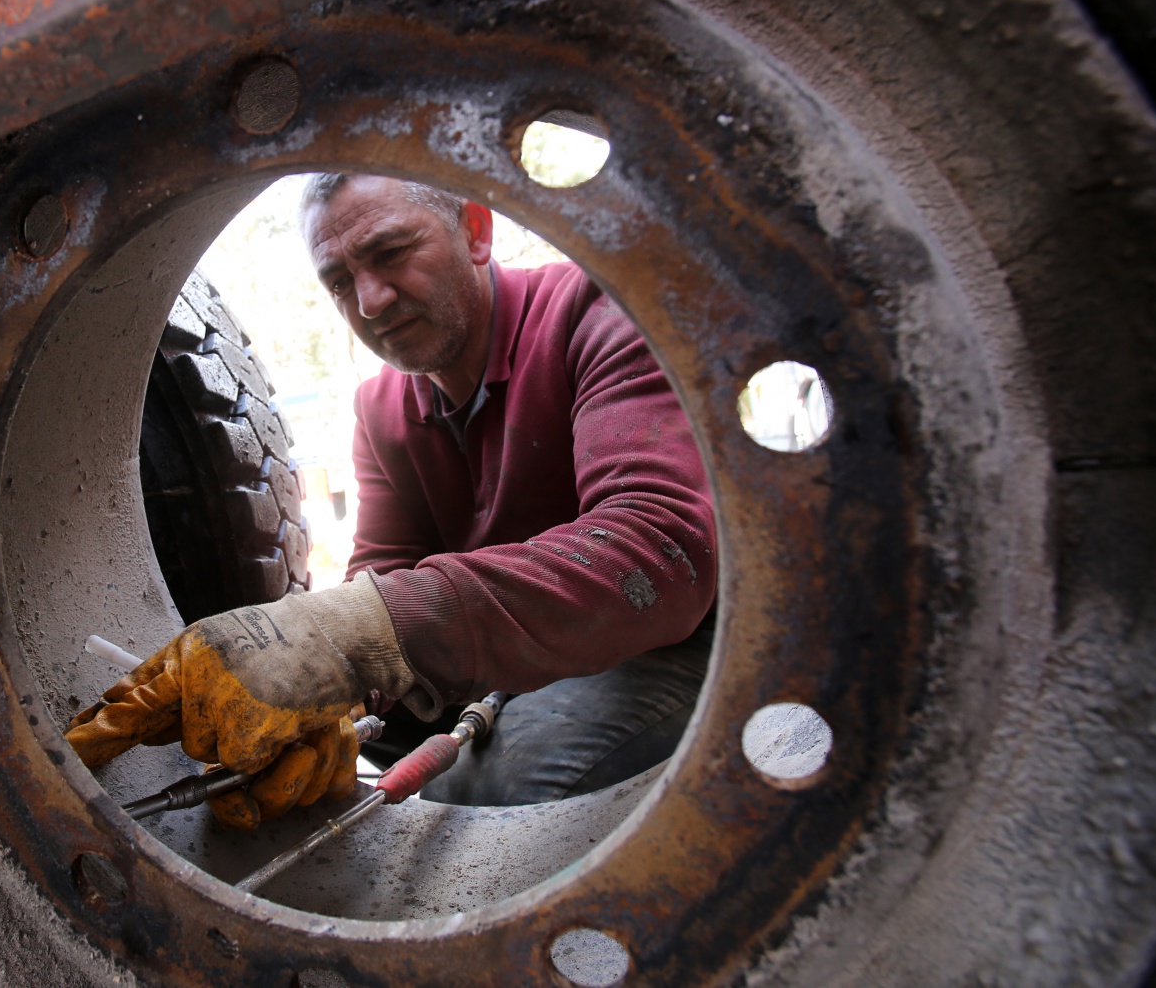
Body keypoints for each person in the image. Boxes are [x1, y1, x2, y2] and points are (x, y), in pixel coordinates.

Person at [66, 173, 716, 826]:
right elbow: (383, 575)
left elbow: (658, 550)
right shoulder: (382, 409)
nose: (370, 302)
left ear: (476, 230)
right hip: (503, 673)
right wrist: (323, 707)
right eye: (340, 282)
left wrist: (351, 635)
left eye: (391, 252)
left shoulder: (595, 309)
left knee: (488, 785)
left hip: (669, 651)